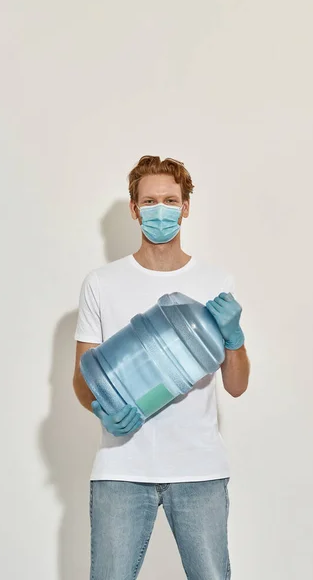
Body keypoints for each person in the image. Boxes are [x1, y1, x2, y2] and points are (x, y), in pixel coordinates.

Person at [73, 155, 250, 580]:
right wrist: (100, 408)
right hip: (121, 467)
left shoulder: (215, 280)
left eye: (170, 200)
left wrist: (235, 338)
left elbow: (237, 385)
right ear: (134, 209)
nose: (160, 210)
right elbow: (83, 379)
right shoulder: (102, 282)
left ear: (186, 207)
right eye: (149, 201)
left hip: (200, 467)